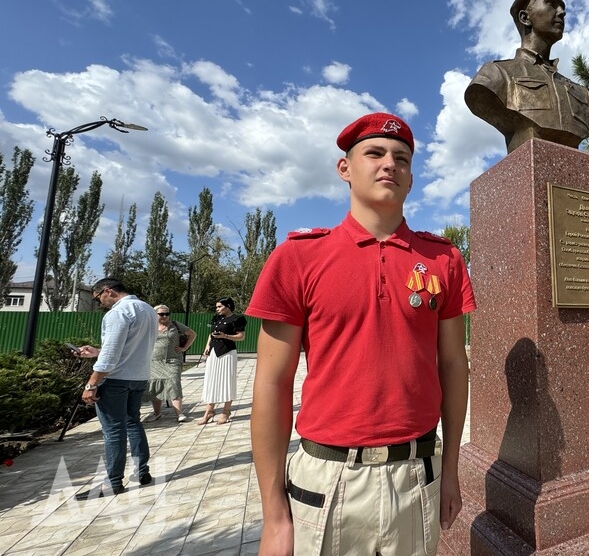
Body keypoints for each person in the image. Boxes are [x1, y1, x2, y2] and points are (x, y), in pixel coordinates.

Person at [247, 112, 476, 555]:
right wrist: (274, 514)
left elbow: (453, 365)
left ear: (411, 178)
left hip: (417, 475)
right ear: (345, 169)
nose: (389, 164)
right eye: (374, 153)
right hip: (328, 480)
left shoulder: (443, 259)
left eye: (402, 158)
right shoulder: (299, 258)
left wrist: (450, 472)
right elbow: (271, 384)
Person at [465, 0, 589, 153]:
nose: (562, 12)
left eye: (562, 6)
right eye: (552, 4)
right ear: (525, 17)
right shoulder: (496, 75)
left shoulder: (584, 95)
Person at [74, 278, 156, 500]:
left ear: (108, 291)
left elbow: (112, 355)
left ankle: (113, 483)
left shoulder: (118, 313)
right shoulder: (147, 310)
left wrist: (92, 384)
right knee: (133, 423)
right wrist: (97, 351)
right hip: (138, 377)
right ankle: (142, 473)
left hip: (116, 379)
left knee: (113, 431)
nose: (99, 302)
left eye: (98, 297)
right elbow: (127, 347)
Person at [198, 297, 246, 425]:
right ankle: (209, 411)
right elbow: (211, 334)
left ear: (228, 306)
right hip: (214, 352)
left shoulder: (236, 319)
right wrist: (207, 346)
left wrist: (225, 336)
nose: (217, 309)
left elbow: (241, 336)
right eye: (216, 307)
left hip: (227, 353)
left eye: (219, 306)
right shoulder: (217, 318)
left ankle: (226, 411)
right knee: (211, 381)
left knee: (227, 381)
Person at [144, 304, 196, 422]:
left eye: (167, 314)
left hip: (173, 360)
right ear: (155, 314)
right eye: (161, 314)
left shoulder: (176, 325)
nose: (165, 316)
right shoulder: (150, 327)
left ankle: (179, 413)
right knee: (155, 385)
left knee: (174, 382)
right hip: (154, 361)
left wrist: (184, 348)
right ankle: (157, 413)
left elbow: (193, 334)